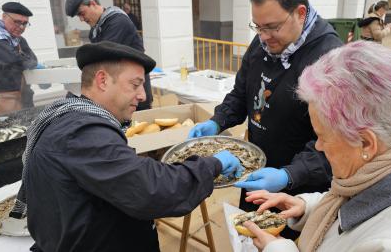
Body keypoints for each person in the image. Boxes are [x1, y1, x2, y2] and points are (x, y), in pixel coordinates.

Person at [13, 41, 244, 252]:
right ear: (102, 80)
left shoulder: (69, 115)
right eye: (135, 84)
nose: (142, 95)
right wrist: (214, 163)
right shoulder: (81, 134)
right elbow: (152, 190)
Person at [239, 41, 391, 252]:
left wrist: (278, 248)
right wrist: (308, 207)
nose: (319, 147)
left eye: (322, 136)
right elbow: (362, 206)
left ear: (366, 143)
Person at [189, 0, 341, 215]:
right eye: (258, 27)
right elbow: (241, 93)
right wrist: (217, 121)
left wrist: (289, 175)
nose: (264, 36)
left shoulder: (330, 58)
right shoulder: (262, 43)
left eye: (272, 27)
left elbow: (336, 142)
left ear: (300, 14)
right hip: (257, 165)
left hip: (302, 185)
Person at [64, 0, 152, 111]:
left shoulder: (118, 22)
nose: (82, 19)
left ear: (92, 4)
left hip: (135, 93)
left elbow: (100, 60)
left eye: (82, 13)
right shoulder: (96, 30)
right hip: (119, 95)